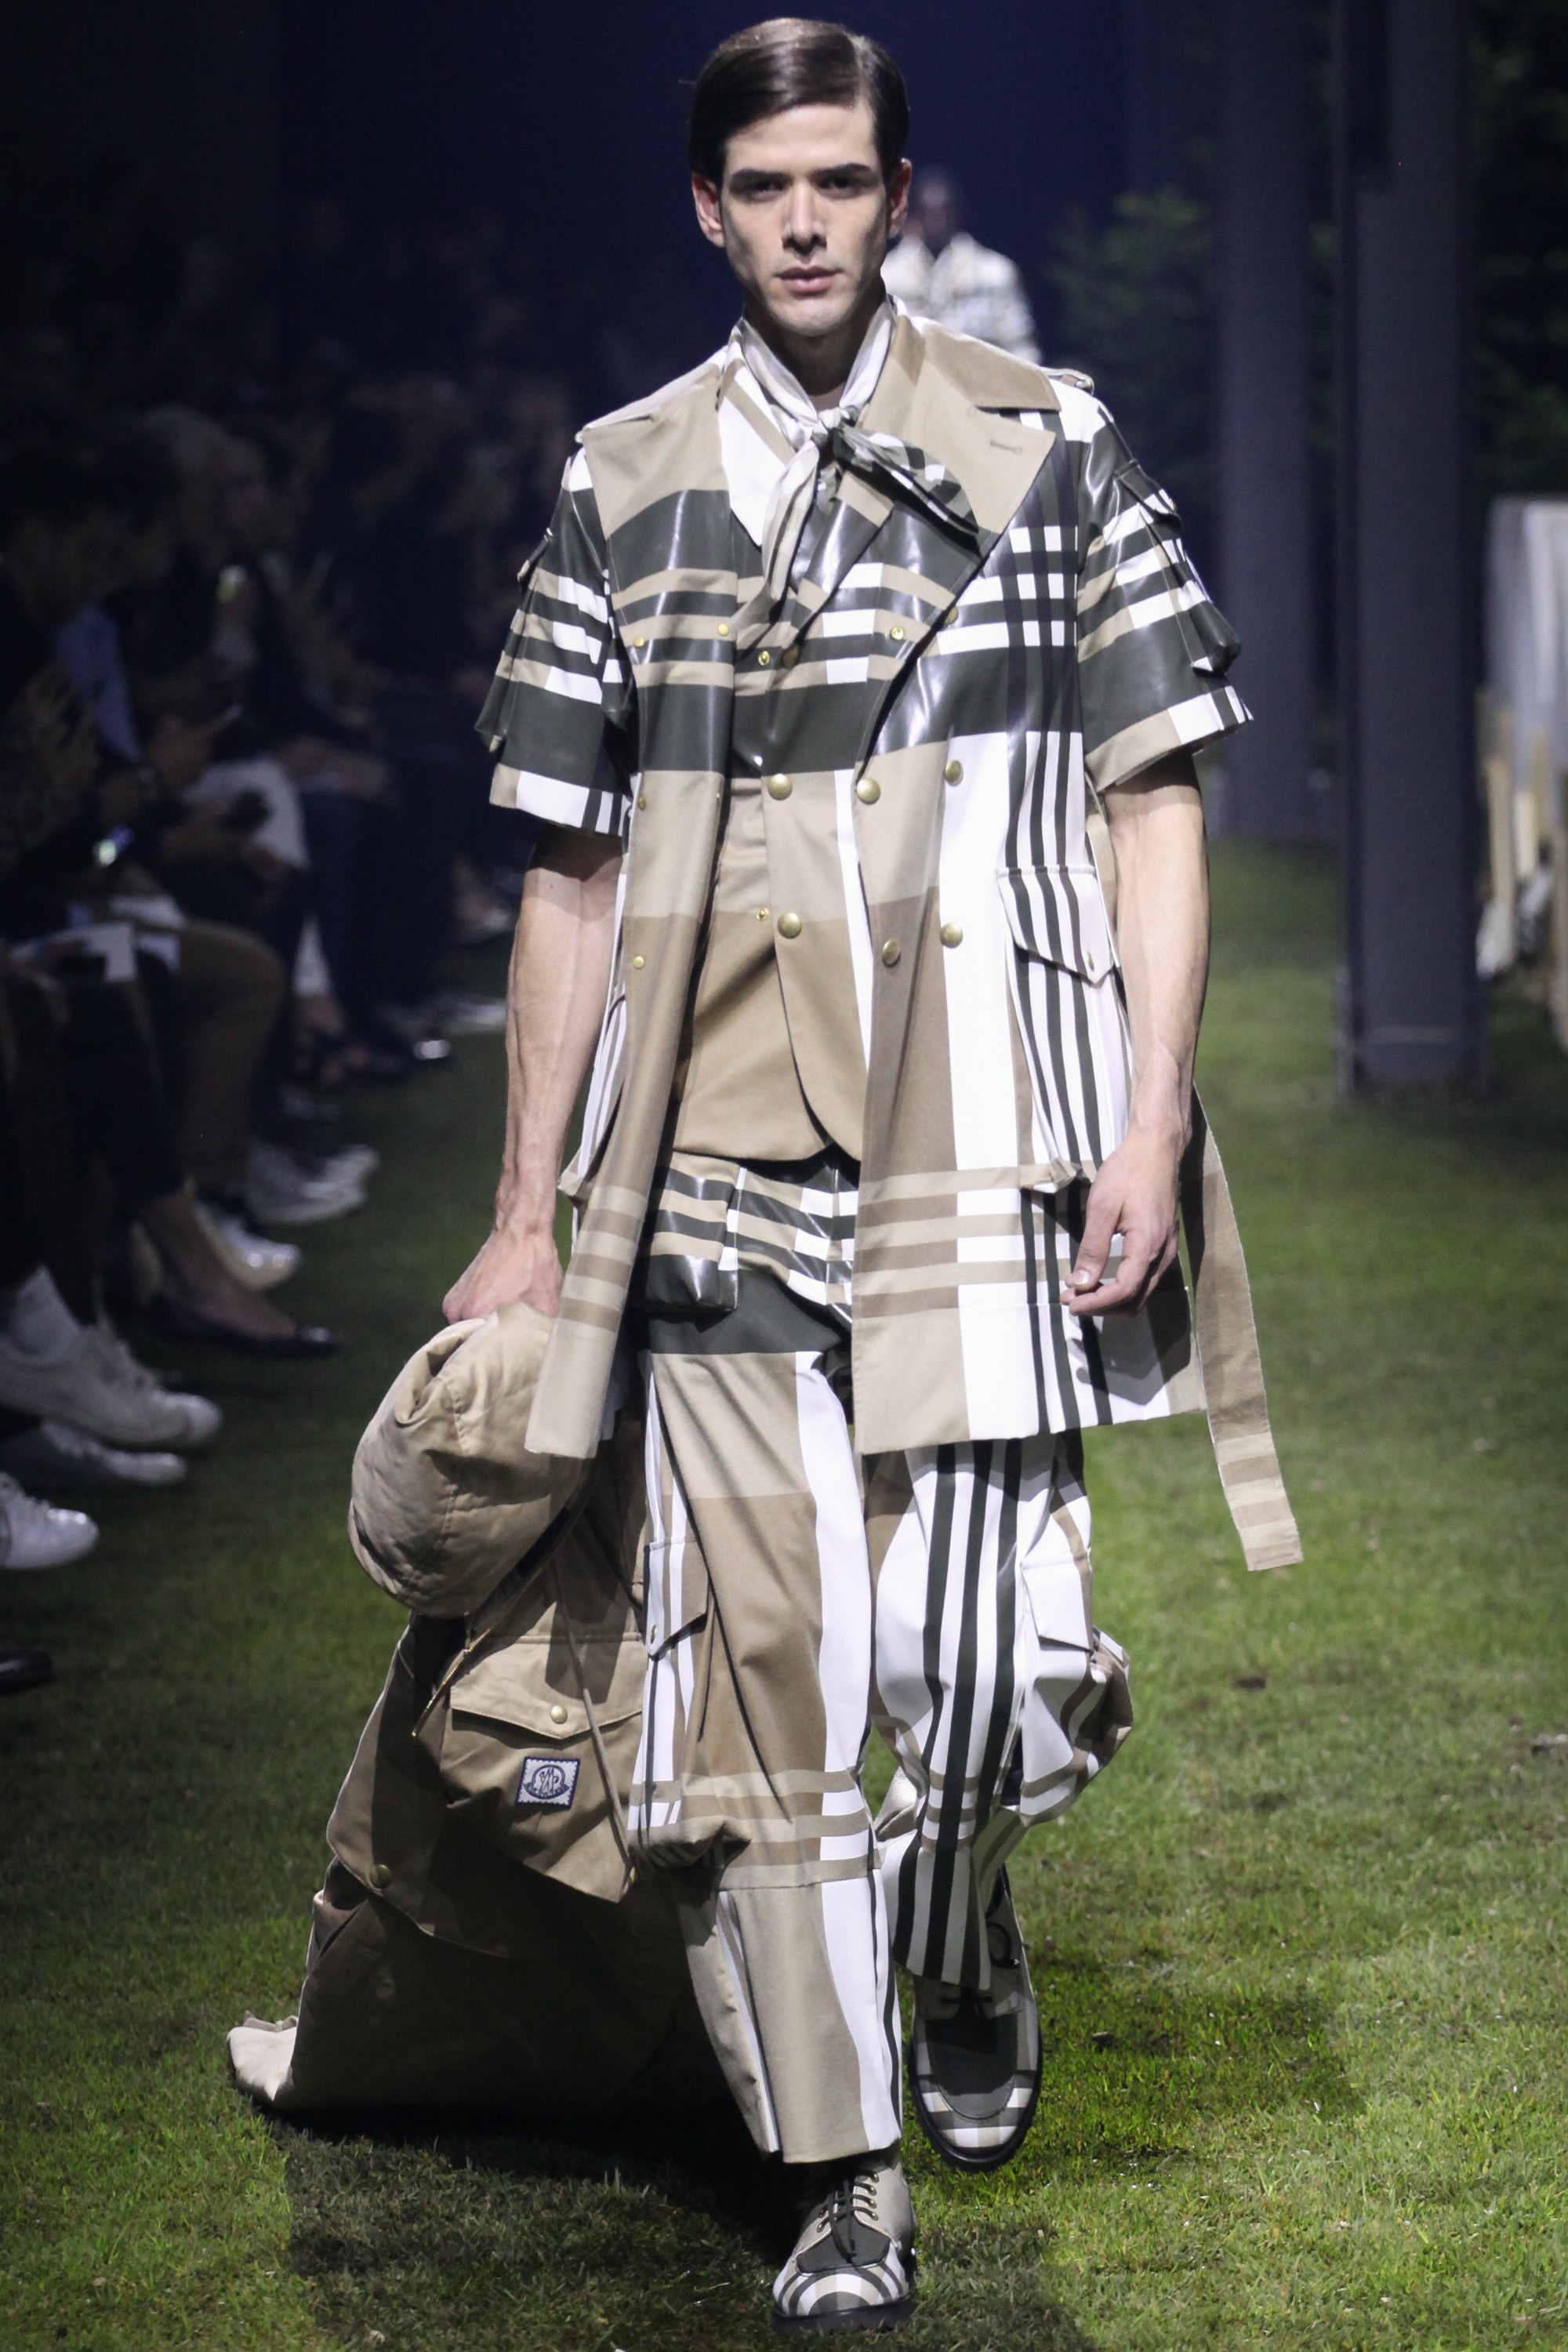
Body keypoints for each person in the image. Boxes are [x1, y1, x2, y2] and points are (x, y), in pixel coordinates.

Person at [447, 19, 1298, 2333]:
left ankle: (961, 1914)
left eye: (842, 179)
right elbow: (560, 867)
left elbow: (1149, 793)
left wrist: (1149, 1112)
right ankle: (842, 2169)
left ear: (896, 196)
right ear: (707, 209)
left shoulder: (1048, 442)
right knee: (769, 1687)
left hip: (989, 1121)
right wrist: (526, 1211)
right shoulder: (622, 477)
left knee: (987, 1671)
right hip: (714, 1147)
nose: (807, 219)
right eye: (766, 185)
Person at [880, 166, 1040, 360]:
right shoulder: (889, 278)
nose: (936, 223)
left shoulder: (995, 274)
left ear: (956, 215)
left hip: (980, 375)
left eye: (942, 214)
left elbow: (1020, 344)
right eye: (929, 214)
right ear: (915, 217)